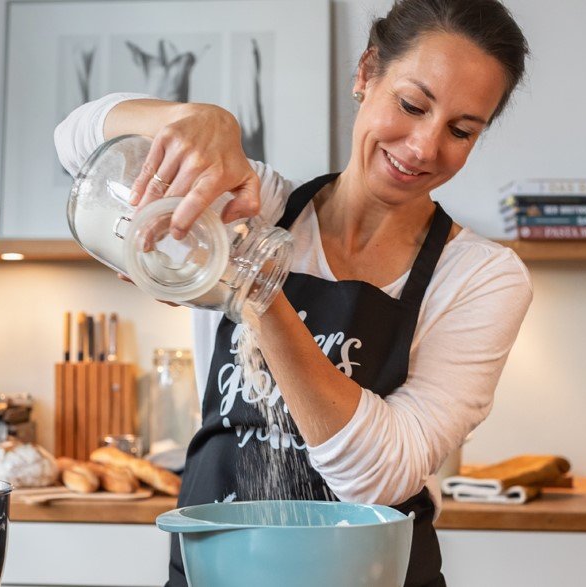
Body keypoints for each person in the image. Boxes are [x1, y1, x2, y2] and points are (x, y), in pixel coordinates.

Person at [55, 0, 531, 584]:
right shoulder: (261, 206)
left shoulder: (480, 277)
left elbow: (377, 477)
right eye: (411, 105)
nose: (425, 148)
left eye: (461, 131)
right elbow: (73, 142)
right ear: (365, 74)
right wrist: (192, 118)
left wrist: (252, 287)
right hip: (216, 570)